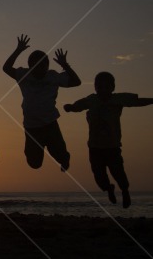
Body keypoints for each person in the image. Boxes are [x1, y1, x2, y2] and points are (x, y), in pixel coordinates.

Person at [64, 72, 153, 208]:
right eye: (99, 87)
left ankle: (124, 191)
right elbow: (79, 106)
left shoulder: (119, 99)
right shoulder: (92, 100)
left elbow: (137, 101)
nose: (103, 90)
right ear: (95, 87)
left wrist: (152, 100)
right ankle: (109, 189)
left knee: (118, 173)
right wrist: (71, 107)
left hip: (112, 147)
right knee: (99, 178)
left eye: (106, 87)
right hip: (95, 148)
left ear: (112, 88)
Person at [3, 34, 81, 172]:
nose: (39, 68)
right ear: (31, 66)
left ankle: (63, 156)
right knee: (34, 164)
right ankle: (42, 147)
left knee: (61, 157)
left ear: (47, 66)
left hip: (50, 124)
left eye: (42, 65)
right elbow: (6, 68)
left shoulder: (53, 76)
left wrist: (65, 65)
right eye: (36, 66)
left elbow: (76, 82)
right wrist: (18, 50)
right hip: (32, 127)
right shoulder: (24, 75)